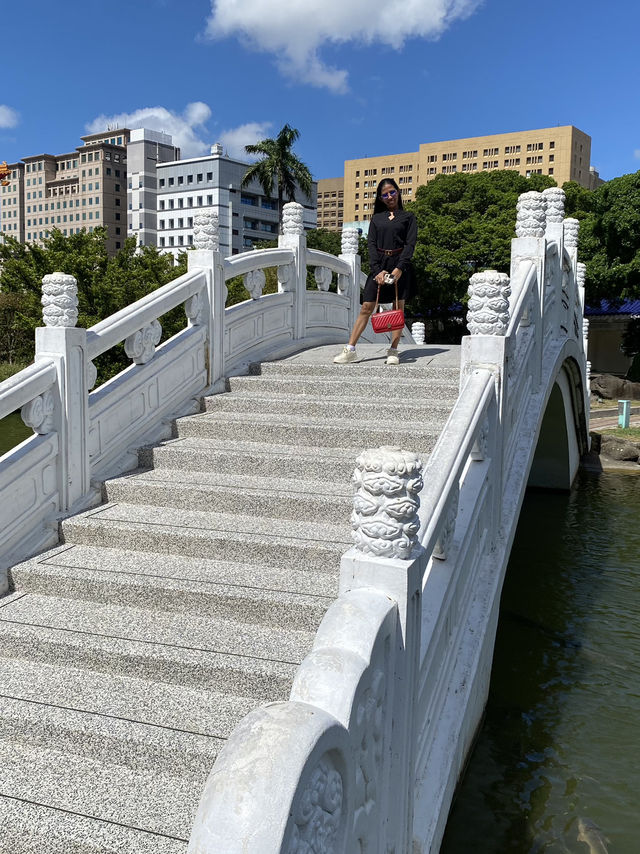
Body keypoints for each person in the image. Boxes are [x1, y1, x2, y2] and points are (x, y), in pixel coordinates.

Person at [334, 177, 417, 365]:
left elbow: (410, 244)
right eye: (385, 194)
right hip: (380, 264)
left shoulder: (408, 217)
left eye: (392, 192)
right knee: (366, 307)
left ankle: (394, 350)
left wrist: (399, 269)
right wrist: (377, 270)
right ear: (380, 198)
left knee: (398, 309)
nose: (390, 196)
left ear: (398, 192)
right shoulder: (376, 219)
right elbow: (371, 244)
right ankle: (350, 349)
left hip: (399, 265)